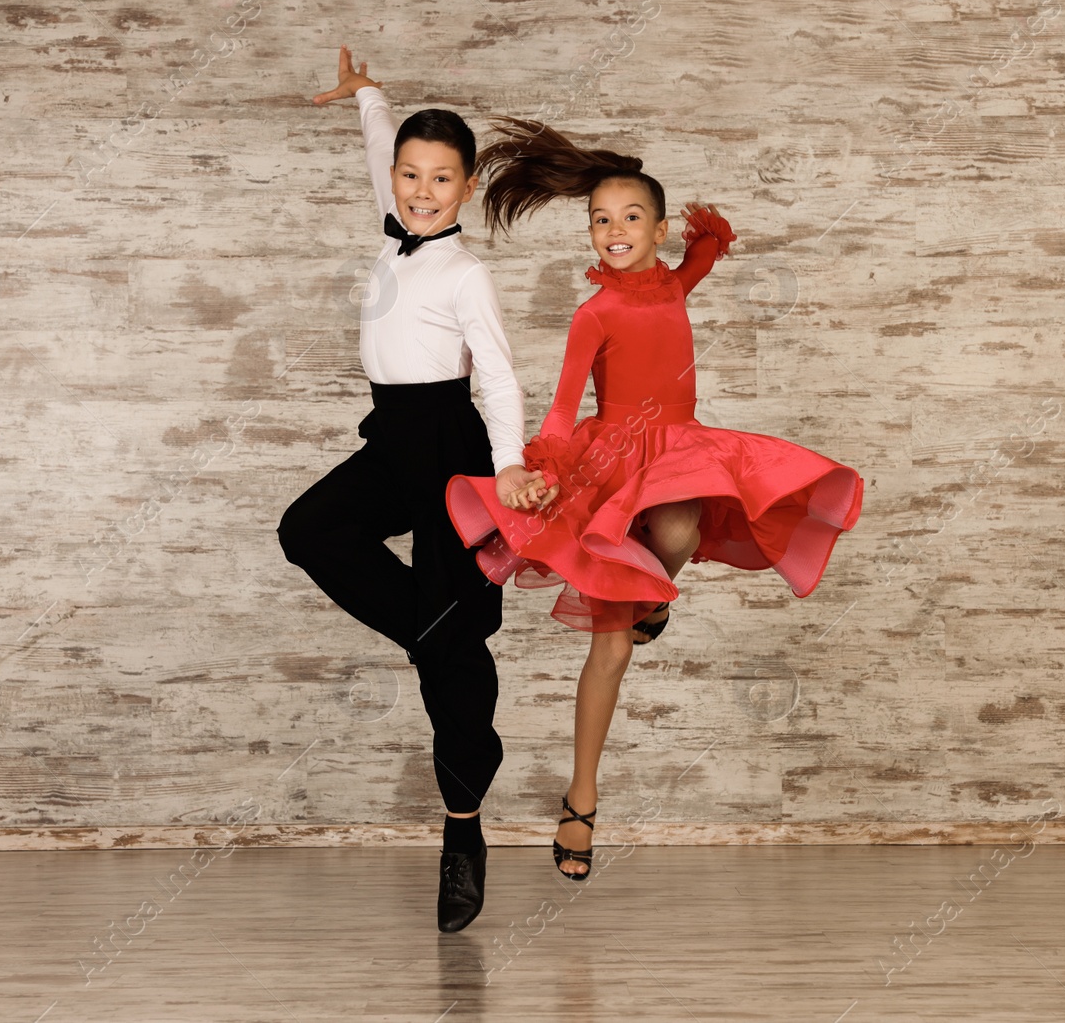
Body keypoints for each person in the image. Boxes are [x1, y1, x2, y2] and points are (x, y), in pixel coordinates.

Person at [446, 118, 863, 878]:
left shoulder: (671, 279)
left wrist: (711, 240)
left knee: (680, 522)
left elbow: (698, 262)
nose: (613, 230)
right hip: (608, 469)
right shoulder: (593, 313)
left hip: (677, 450)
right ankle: (581, 801)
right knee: (610, 645)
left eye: (631, 217)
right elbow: (566, 408)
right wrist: (540, 469)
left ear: (658, 229)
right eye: (600, 219)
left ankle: (657, 598)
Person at [279, 51, 548, 931]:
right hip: (390, 437)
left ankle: (463, 825)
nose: (420, 190)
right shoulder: (390, 214)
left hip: (450, 446)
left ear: (466, 188)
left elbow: (500, 377)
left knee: (452, 664)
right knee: (310, 529)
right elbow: (374, 152)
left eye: (440, 179)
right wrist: (368, 98)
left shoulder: (465, 273)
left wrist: (508, 462)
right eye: (410, 173)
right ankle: (435, 627)